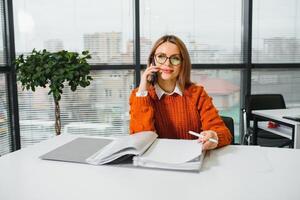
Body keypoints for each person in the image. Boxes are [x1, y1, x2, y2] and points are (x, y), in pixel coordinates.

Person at [129, 35, 232, 150]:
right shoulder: (140, 96)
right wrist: (143, 91)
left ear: (183, 63)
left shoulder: (197, 94)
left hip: (192, 159)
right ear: (153, 60)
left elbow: (224, 133)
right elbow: (140, 140)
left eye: (175, 58)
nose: (167, 64)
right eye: (161, 57)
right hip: (156, 161)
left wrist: (214, 136)